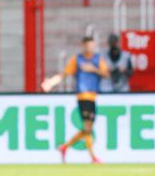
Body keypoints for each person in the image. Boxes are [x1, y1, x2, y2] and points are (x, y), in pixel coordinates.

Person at [46, 36, 109, 164]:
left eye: (92, 45)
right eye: (87, 45)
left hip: (93, 96)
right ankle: (93, 158)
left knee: (88, 129)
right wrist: (52, 82)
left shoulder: (98, 59)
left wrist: (93, 69)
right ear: (83, 46)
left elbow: (106, 74)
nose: (90, 47)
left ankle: (64, 147)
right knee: (87, 127)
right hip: (83, 96)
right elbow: (64, 74)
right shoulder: (77, 60)